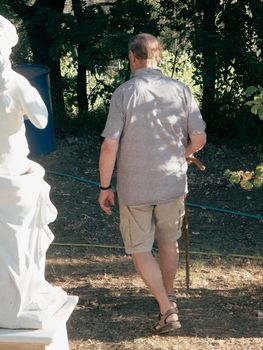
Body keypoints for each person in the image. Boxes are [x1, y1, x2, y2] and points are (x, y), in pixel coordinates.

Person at [98, 33, 206, 334]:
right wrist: (182, 154)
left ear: (133, 57)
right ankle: (168, 294)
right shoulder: (181, 90)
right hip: (172, 182)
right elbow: (199, 138)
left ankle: (167, 308)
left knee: (139, 248)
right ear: (158, 57)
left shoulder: (125, 93)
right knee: (168, 241)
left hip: (135, 188)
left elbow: (110, 145)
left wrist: (105, 187)